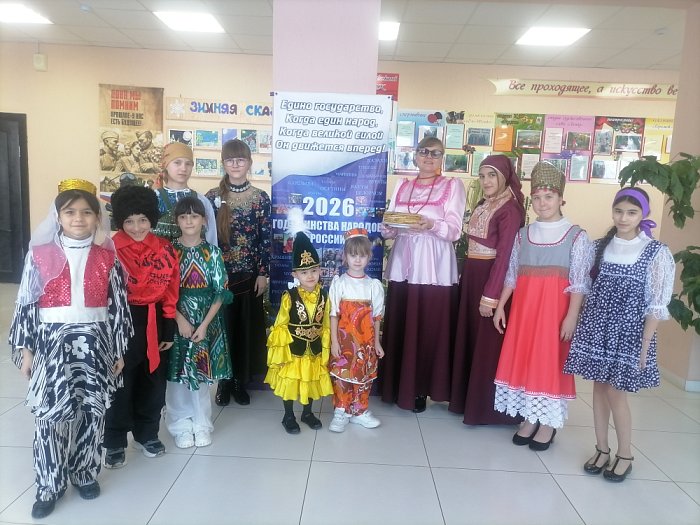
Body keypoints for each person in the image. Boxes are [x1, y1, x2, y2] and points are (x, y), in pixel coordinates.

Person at [8, 179, 132, 519]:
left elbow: (119, 307)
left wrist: (118, 350)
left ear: (97, 218)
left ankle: (84, 472)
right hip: (52, 342)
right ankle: (49, 483)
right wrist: (27, 350)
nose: (78, 218)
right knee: (51, 415)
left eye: (86, 212)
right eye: (70, 212)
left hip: (95, 341)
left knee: (92, 411)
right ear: (58, 217)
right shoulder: (40, 255)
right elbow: (26, 303)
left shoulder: (107, 257)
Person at [564, 187, 675, 482]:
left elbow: (657, 303)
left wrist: (645, 344)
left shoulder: (655, 252)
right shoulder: (599, 247)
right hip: (598, 326)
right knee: (599, 388)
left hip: (630, 333)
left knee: (617, 392)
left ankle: (625, 453)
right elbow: (583, 287)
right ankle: (602, 448)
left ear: (643, 215)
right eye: (619, 211)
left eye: (632, 213)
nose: (624, 218)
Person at [492, 162, 593, 450]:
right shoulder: (524, 234)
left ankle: (547, 422)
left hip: (554, 313)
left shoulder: (576, 236)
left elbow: (579, 282)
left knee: (549, 361)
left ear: (561, 199)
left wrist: (571, 316)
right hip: (525, 312)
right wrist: (501, 306)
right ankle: (529, 416)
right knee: (525, 359)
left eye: (549, 197)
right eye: (536, 197)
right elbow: (512, 274)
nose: (542, 203)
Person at [380, 137, 466, 412]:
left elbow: (454, 230)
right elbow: (391, 226)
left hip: (433, 266)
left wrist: (430, 224)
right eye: (424, 152)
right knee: (402, 322)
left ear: (442, 158)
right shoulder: (402, 184)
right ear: (415, 156)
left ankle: (420, 388)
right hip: (403, 262)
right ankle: (396, 384)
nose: (429, 157)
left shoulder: (452, 185)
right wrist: (388, 226)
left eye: (436, 153)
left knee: (429, 326)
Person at [102, 185, 180, 469]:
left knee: (153, 379)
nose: (137, 227)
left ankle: (147, 433)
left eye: (143, 220)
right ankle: (114, 440)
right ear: (120, 221)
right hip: (120, 320)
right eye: (129, 221)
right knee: (120, 380)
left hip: (155, 318)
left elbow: (171, 288)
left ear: (152, 219)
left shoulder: (165, 249)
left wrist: (168, 323)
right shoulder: (108, 250)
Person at [448, 154, 525, 424]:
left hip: (490, 279)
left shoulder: (510, 209)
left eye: (492, 175)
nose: (486, 181)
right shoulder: (484, 204)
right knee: (471, 337)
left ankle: (485, 409)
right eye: (482, 176)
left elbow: (505, 255)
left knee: (487, 344)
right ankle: (465, 400)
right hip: (473, 276)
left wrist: (491, 296)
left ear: (504, 177)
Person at [206, 139, 271, 406]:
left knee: (245, 330)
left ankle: (239, 381)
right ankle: (223, 381)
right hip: (221, 277)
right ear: (223, 163)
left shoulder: (260, 198)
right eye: (230, 160)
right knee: (224, 330)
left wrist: (263, 273)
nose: (235, 164)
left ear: (249, 163)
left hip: (249, 276)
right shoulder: (211, 197)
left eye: (240, 159)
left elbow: (266, 238)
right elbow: (206, 238)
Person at [166, 197, 233, 448]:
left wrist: (204, 325)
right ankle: (180, 425)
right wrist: (179, 319)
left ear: (204, 220)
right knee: (177, 375)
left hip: (206, 321)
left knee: (202, 374)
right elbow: (163, 291)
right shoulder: (169, 251)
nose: (189, 221)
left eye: (194, 216)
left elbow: (220, 292)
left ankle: (201, 423)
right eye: (183, 217)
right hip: (177, 319)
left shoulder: (212, 252)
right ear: (177, 221)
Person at [264, 211, 332, 434]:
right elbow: (281, 325)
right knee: (292, 381)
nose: (310, 276)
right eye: (304, 272)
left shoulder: (325, 295)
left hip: (314, 349)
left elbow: (326, 324)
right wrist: (281, 352)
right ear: (295, 274)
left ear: (320, 270)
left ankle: (307, 413)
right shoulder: (289, 297)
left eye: (313, 270)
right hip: (294, 349)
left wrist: (327, 347)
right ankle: (288, 415)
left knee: (309, 380)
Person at [328, 228, 385, 432]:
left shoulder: (373, 286)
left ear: (369, 257)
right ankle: (341, 411)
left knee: (364, 377)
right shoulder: (339, 283)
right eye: (353, 255)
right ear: (345, 256)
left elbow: (376, 317)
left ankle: (359, 412)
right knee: (342, 377)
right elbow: (333, 315)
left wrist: (377, 342)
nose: (357, 260)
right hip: (344, 342)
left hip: (366, 343)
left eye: (362, 255)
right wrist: (334, 342)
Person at [152, 142, 217, 245]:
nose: (183, 168)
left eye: (188, 164)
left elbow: (211, 238)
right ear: (166, 165)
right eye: (177, 162)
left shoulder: (201, 200)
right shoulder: (153, 198)